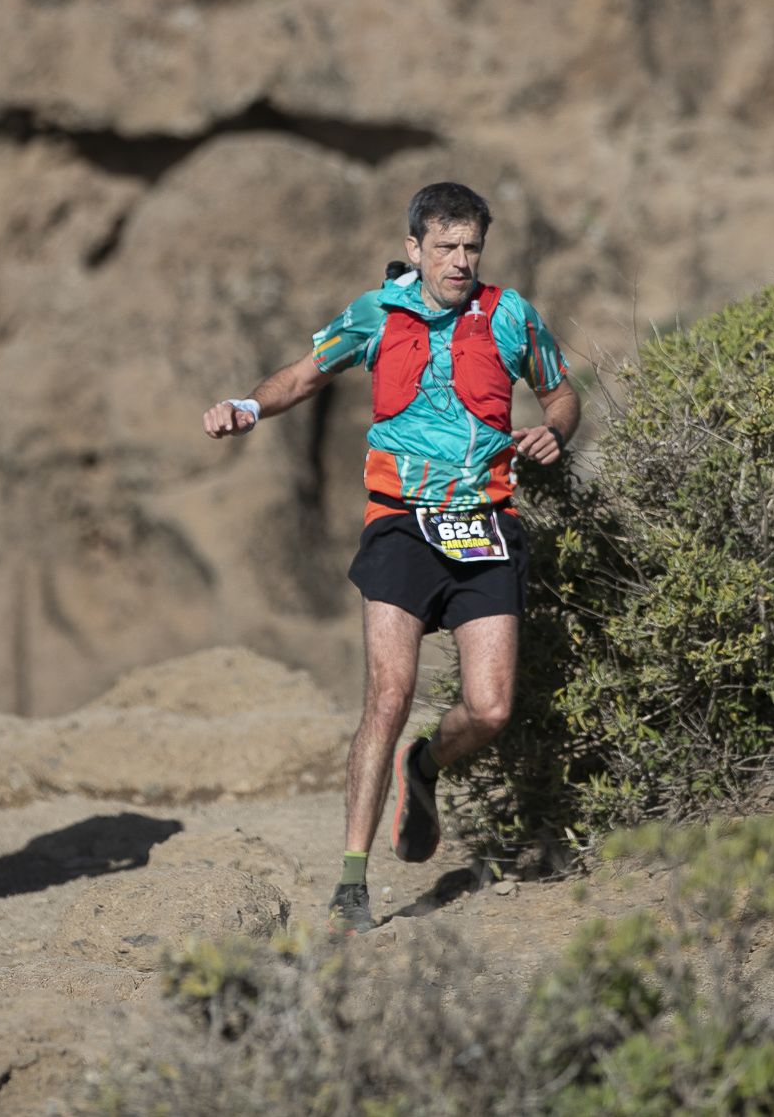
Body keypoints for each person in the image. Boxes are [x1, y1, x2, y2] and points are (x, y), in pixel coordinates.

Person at [202, 182, 579, 934]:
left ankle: (425, 766)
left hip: (485, 522)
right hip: (401, 523)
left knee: (492, 707)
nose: (460, 261)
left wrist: (554, 431)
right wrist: (248, 406)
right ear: (414, 248)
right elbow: (303, 376)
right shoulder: (375, 314)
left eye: (472, 246)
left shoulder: (510, 315)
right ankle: (351, 878)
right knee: (388, 693)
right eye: (445, 247)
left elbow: (561, 393)